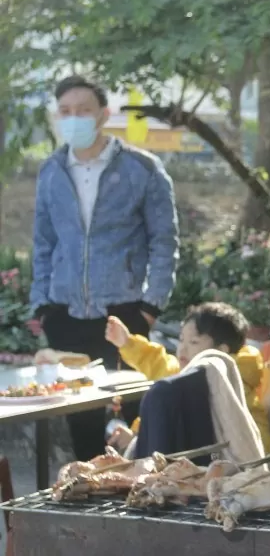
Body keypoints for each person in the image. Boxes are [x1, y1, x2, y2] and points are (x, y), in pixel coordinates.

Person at [30, 75, 179, 458]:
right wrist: (42, 305)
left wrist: (150, 306)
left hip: (125, 311)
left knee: (131, 416)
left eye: (83, 110)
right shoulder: (51, 171)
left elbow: (164, 241)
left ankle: (134, 500)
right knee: (78, 416)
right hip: (65, 312)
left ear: (103, 114)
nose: (74, 118)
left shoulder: (142, 169)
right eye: (65, 112)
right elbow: (43, 243)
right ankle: (83, 497)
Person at [103, 302, 270, 452]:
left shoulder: (234, 388)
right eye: (181, 340)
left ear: (221, 351)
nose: (182, 349)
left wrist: (137, 439)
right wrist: (126, 342)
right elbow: (158, 361)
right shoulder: (183, 373)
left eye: (193, 342)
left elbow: (257, 445)